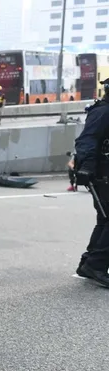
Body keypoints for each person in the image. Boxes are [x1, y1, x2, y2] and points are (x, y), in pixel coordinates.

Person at [74, 79, 109, 288]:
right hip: (102, 174)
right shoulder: (103, 112)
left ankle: (88, 263)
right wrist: (86, 167)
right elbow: (87, 140)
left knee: (105, 220)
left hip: (103, 172)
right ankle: (96, 265)